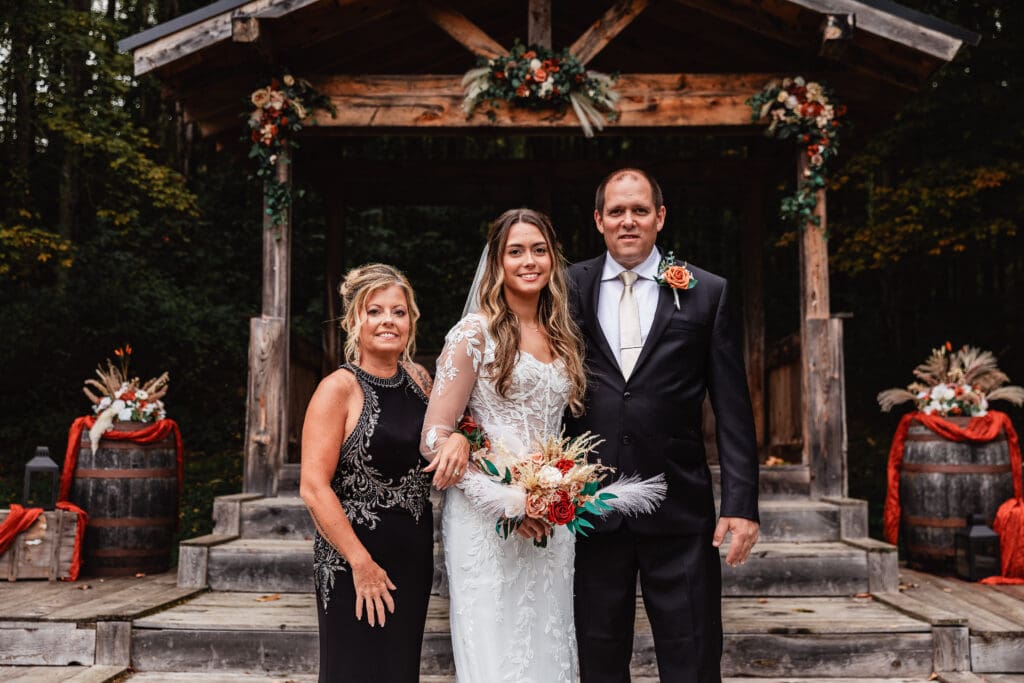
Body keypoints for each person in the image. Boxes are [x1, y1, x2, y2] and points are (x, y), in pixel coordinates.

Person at [564, 168, 761, 682]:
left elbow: (733, 405)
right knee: (597, 658)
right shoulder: (564, 287)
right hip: (588, 510)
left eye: (639, 210)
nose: (628, 221)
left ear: (660, 217)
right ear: (599, 220)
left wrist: (740, 505)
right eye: (616, 211)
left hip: (679, 509)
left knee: (692, 655)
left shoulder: (706, 291)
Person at [420, 208, 588, 683]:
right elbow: (432, 436)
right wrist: (510, 503)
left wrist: (550, 494)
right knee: (498, 652)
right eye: (515, 251)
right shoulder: (474, 333)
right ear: (497, 262)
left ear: (553, 258)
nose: (529, 261)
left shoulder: (562, 335)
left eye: (538, 250)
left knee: (550, 640)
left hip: (552, 519)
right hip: (486, 521)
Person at [300, 263, 435, 683]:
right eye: (375, 311)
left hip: (412, 557)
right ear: (354, 321)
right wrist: (361, 563)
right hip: (352, 560)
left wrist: (462, 441)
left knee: (399, 671)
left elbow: (446, 442)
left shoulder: (419, 381)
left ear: (411, 320)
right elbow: (313, 488)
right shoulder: (337, 388)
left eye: (399, 312)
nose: (388, 322)